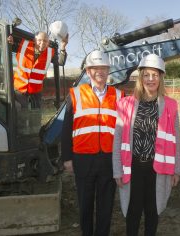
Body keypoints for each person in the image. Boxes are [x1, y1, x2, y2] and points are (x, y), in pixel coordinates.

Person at [112, 54, 180, 236]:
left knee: (153, 211)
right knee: (133, 211)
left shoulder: (170, 105)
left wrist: (177, 169)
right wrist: (117, 170)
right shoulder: (125, 104)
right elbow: (118, 139)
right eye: (146, 75)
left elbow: (177, 140)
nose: (151, 79)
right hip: (133, 166)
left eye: (155, 75)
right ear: (140, 77)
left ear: (161, 78)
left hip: (158, 169)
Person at [62, 49, 124, 236]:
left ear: (108, 70)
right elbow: (66, 128)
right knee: (85, 205)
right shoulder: (75, 94)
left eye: (103, 68)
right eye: (94, 68)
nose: (99, 72)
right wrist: (67, 158)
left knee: (106, 206)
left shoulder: (119, 96)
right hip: (83, 160)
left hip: (109, 159)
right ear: (88, 72)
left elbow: (124, 130)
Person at [8, 31, 68, 108]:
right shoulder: (23, 46)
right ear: (34, 40)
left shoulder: (50, 53)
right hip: (19, 88)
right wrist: (10, 41)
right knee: (22, 112)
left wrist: (63, 47)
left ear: (48, 42)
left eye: (45, 41)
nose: (42, 43)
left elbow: (61, 62)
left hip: (36, 91)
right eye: (39, 40)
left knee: (36, 114)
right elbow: (10, 46)